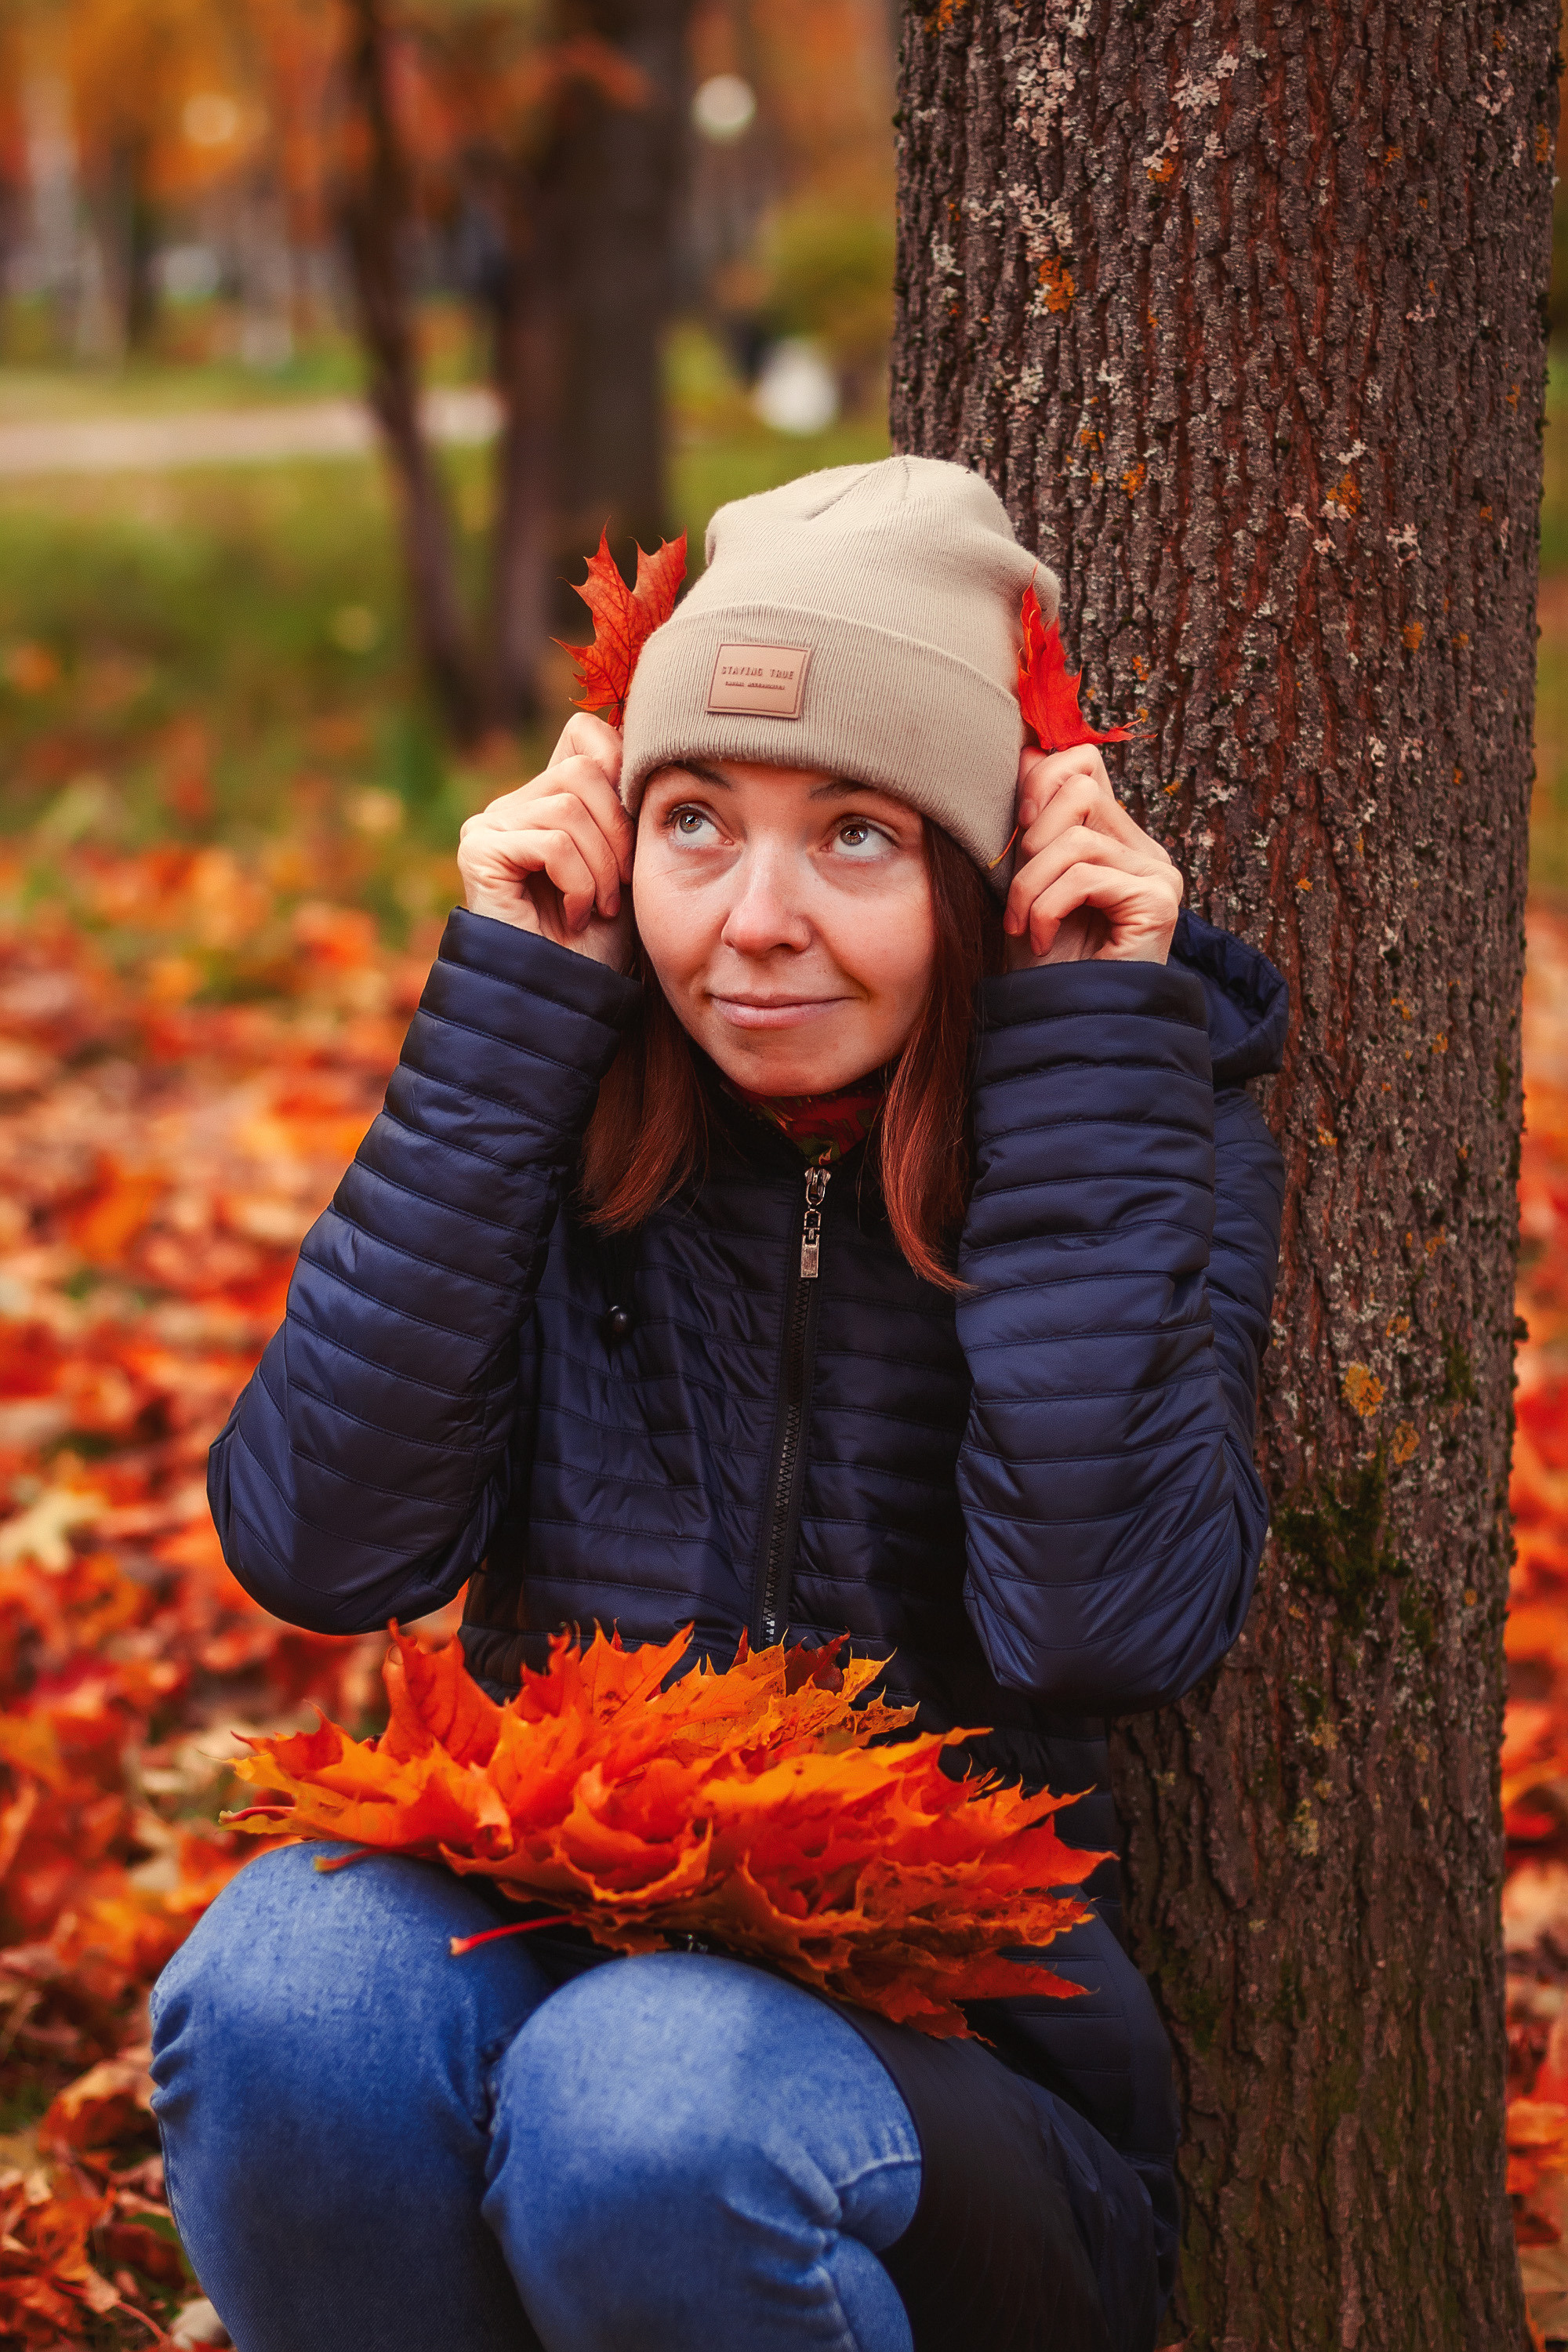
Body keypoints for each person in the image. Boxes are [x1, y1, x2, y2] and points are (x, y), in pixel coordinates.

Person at [151, 457, 1287, 2352]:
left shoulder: (1117, 1103)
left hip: (950, 2079)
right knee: (285, 1988)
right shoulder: (571, 1088)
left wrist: (1083, 1036)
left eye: (855, 834)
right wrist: (511, 1005)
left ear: (981, 868)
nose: (752, 922)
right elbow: (322, 1548)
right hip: (559, 1902)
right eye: (697, 823)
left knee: (647, 2095)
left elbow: (1104, 1629)